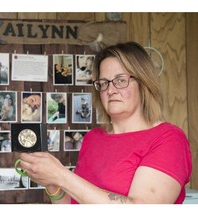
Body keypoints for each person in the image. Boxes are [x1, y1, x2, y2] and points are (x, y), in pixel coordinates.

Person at [17, 41, 192, 204]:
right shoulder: (93, 138)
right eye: (104, 83)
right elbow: (77, 204)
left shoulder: (168, 138)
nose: (110, 90)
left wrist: (61, 175)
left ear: (144, 83)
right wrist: (52, 184)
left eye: (121, 80)